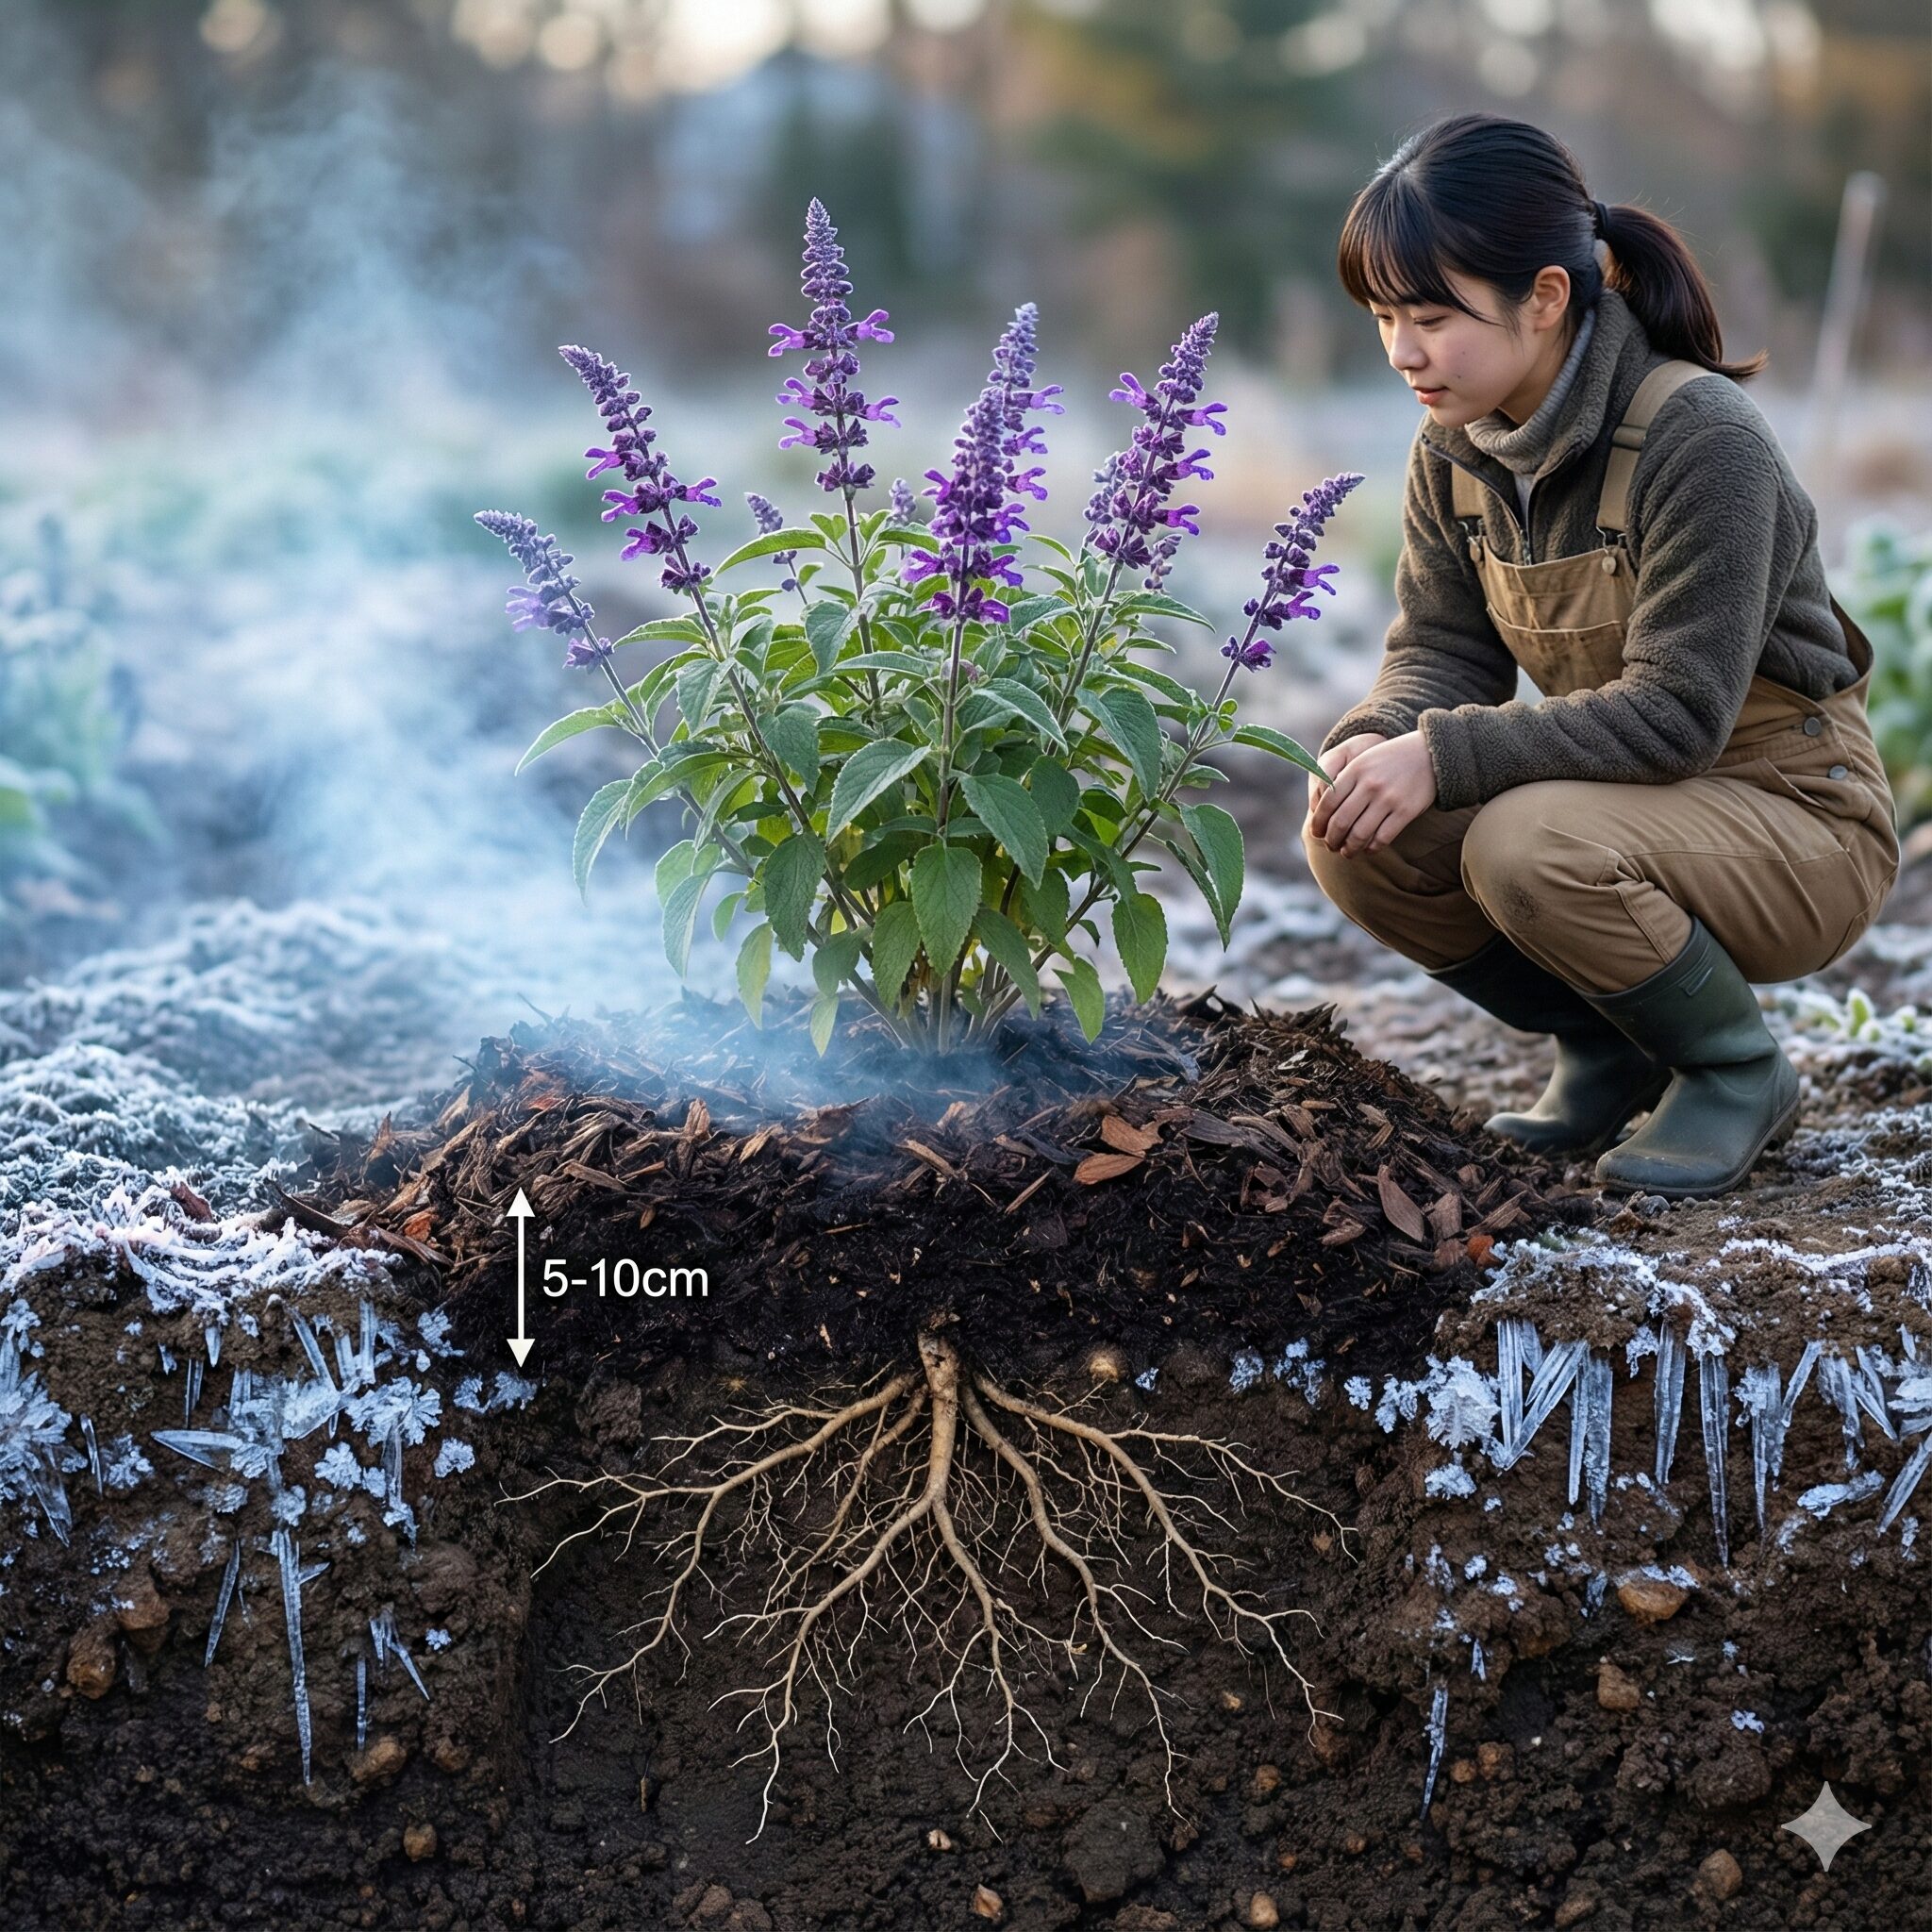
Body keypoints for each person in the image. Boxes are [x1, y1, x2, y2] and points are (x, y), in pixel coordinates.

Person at [1303, 113, 1900, 1200]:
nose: (1400, 352)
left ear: (1543, 296)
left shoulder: (1699, 438)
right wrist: (1376, 740)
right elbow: (1440, 647)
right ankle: (1609, 1048)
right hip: (1626, 797)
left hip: (1797, 817)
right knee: (1356, 838)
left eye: (1430, 316)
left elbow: (1675, 714)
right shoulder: (1453, 450)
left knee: (1524, 843)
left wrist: (1439, 756)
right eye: (1383, 316)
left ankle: (1733, 1068)